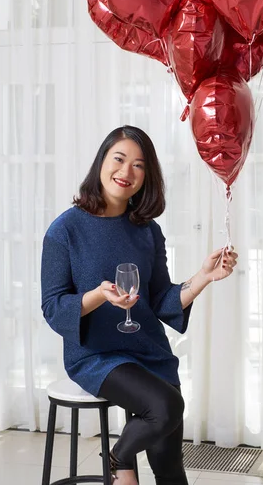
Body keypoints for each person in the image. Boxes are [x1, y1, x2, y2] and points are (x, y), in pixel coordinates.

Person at [41, 125, 238, 485]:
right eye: (119, 159)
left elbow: (162, 300)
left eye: (139, 165)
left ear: (148, 177)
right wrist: (100, 295)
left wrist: (204, 276)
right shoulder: (64, 231)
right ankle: (118, 459)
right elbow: (54, 307)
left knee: (169, 468)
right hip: (96, 355)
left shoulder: (147, 230)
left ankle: (120, 455)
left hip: (147, 348)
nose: (126, 172)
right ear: (101, 161)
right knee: (166, 407)